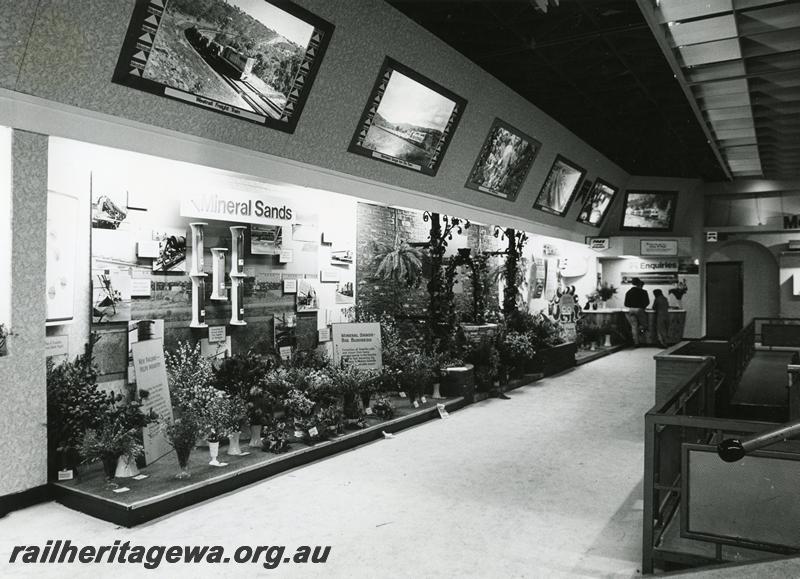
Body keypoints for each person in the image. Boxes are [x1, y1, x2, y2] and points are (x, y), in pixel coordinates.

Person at [624, 277, 650, 346]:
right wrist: (642, 306)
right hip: (640, 309)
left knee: (634, 326)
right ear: (639, 283)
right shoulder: (644, 292)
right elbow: (647, 302)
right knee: (645, 325)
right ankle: (644, 338)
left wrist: (632, 306)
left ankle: (636, 342)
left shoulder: (628, 292)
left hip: (631, 310)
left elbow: (626, 304)